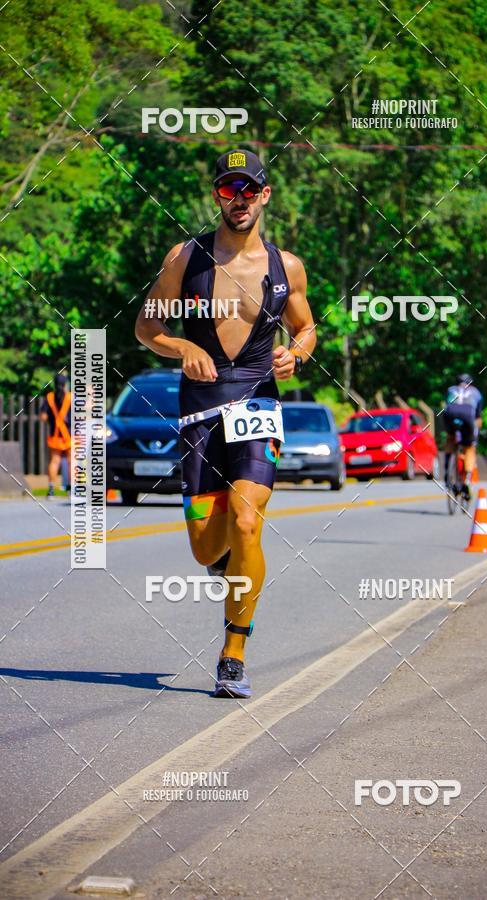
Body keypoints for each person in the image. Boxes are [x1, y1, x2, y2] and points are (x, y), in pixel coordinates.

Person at [135, 149, 316, 699]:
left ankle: (233, 652)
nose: (238, 200)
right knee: (203, 546)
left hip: (258, 404)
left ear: (264, 195)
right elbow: (147, 328)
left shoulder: (287, 268)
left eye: (248, 190)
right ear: (217, 195)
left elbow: (306, 329)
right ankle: (224, 567)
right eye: (227, 190)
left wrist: (298, 353)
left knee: (245, 523)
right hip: (200, 409)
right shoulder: (185, 259)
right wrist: (182, 344)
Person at [442, 374, 483, 501]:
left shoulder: (451, 389)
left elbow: (446, 404)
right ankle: (467, 480)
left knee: (450, 437)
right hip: (467, 414)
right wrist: (475, 435)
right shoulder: (476, 392)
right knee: (470, 448)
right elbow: (477, 418)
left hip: (450, 413)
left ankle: (447, 468)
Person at [40, 373, 72, 497]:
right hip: (68, 435)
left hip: (55, 435)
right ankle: (71, 488)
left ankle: (51, 489)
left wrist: (52, 419)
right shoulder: (70, 397)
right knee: (71, 462)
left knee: (54, 461)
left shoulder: (49, 397)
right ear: (65, 385)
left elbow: (43, 416)